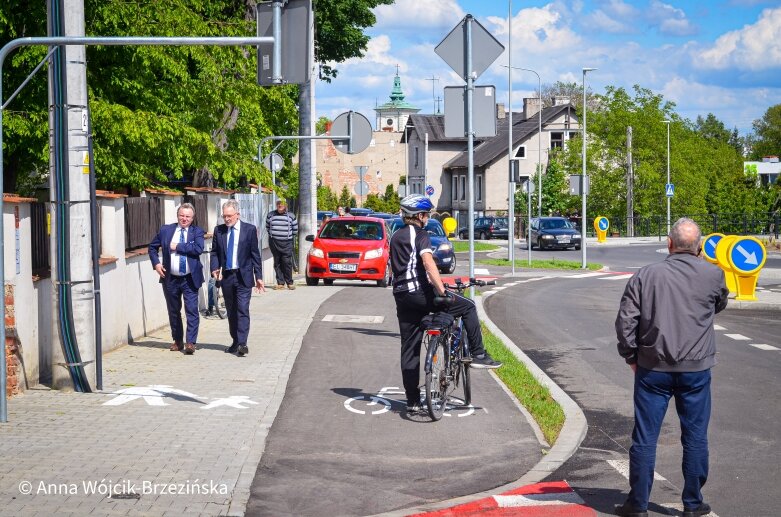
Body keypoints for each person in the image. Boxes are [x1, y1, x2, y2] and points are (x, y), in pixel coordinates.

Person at [614, 218, 728, 517]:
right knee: (694, 436)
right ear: (699, 247)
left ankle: (638, 504)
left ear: (669, 243)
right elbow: (718, 304)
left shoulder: (646, 275)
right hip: (696, 370)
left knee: (645, 437)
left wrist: (631, 356)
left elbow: (626, 320)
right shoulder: (713, 274)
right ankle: (692, 503)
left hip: (652, 368)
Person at [390, 194, 501, 413]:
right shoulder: (420, 234)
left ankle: (412, 401)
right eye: (426, 214)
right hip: (421, 293)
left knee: (409, 349)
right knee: (467, 305)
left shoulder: (395, 236)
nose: (427, 218)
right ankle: (478, 354)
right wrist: (442, 291)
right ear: (420, 216)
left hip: (401, 296)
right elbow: (428, 262)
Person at [148, 203, 205, 355]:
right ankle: (178, 341)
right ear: (177, 215)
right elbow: (152, 247)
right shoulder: (166, 230)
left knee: (191, 310)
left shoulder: (197, 232)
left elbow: (198, 249)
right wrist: (156, 264)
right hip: (170, 278)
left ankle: (191, 342)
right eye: (182, 215)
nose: (184, 219)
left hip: (189, 278)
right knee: (173, 311)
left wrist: (177, 246)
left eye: (187, 216)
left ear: (192, 218)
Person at [211, 200, 266, 357]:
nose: (227, 219)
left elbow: (255, 255)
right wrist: (214, 268)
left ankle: (242, 343)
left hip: (244, 276)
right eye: (224, 216)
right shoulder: (219, 231)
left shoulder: (249, 230)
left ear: (237, 215)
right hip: (227, 276)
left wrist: (259, 277)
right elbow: (214, 252)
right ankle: (235, 340)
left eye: (229, 216)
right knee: (231, 310)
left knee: (242, 308)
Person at [265, 199, 298, 290]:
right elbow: (268, 227)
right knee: (277, 262)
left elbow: (295, 230)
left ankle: (289, 282)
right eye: (278, 203)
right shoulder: (271, 215)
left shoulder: (291, 216)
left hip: (287, 242)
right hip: (274, 242)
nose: (280, 205)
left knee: (286, 262)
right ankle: (280, 283)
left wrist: (286, 236)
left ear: (286, 205)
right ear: (276, 205)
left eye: (282, 204)